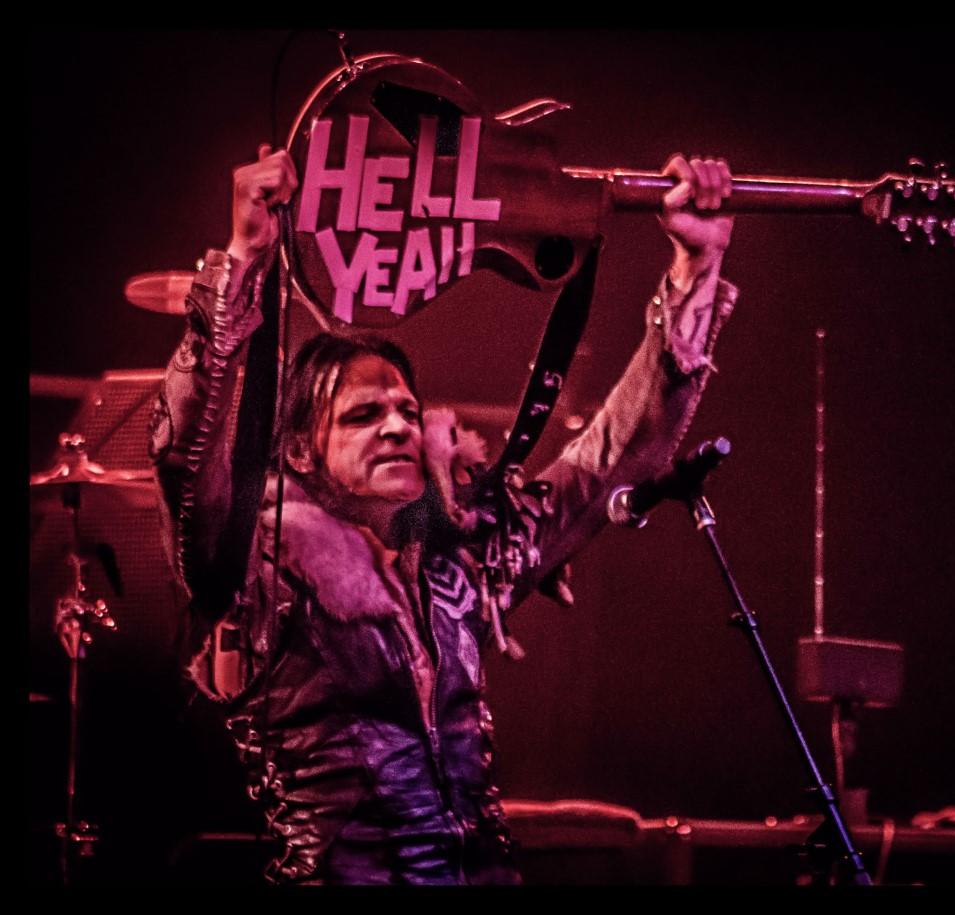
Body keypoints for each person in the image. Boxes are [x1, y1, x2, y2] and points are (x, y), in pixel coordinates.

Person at [151, 143, 738, 884]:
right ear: (298, 451)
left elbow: (611, 461)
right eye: (363, 415)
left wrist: (696, 267)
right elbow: (182, 459)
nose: (397, 426)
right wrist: (242, 261)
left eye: (407, 409)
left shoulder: (459, 556)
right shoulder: (258, 563)